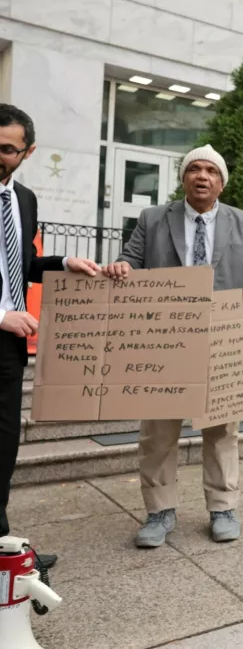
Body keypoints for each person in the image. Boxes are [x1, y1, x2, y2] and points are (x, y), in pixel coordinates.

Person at [102, 144, 243, 548]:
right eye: (195, 169)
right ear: (184, 178)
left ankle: (223, 507)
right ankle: (159, 511)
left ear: (221, 182)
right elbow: (129, 259)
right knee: (158, 432)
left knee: (222, 430)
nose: (202, 177)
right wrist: (122, 267)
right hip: (164, 342)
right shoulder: (153, 219)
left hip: (222, 340)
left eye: (211, 172)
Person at [0, 104, 102, 568]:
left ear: (28, 152)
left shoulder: (24, 200)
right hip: (4, 327)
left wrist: (63, 264)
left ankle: (1, 548)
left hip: (9, 349)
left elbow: (18, 267)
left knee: (3, 451)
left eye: (7, 149)